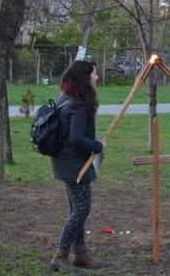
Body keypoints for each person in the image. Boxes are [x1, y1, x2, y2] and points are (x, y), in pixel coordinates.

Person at [49, 60, 106, 271]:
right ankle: (60, 255)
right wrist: (97, 145)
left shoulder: (67, 95)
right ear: (85, 77)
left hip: (66, 161)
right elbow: (76, 139)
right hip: (73, 164)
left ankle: (80, 253)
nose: (97, 78)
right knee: (82, 209)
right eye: (94, 74)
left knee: (77, 208)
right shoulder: (78, 103)